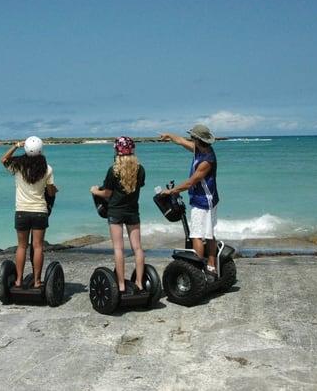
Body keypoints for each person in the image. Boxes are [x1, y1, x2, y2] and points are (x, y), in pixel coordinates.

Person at [159, 124, 220, 274]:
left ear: (198, 140)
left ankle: (198, 269)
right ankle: (211, 264)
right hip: (207, 199)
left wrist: (172, 191)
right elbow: (180, 141)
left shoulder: (207, 160)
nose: (191, 139)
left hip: (204, 201)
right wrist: (169, 135)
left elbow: (191, 182)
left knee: (197, 235)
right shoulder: (199, 149)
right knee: (208, 232)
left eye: (193, 137)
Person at [90, 136, 146, 293]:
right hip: (133, 211)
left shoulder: (113, 170)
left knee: (118, 249)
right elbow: (138, 185)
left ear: (117, 150)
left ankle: (120, 285)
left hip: (115, 211)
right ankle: (139, 283)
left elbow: (107, 193)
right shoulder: (140, 169)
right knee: (137, 248)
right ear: (132, 149)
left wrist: (95, 191)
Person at [1, 136, 57, 288]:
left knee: (21, 247)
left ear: (26, 148)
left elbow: (4, 159)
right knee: (38, 246)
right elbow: (51, 193)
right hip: (39, 211)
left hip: (22, 211)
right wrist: (53, 189)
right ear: (41, 150)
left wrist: (15, 146)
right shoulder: (47, 168)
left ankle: (18, 280)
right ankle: (37, 281)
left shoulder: (18, 166)